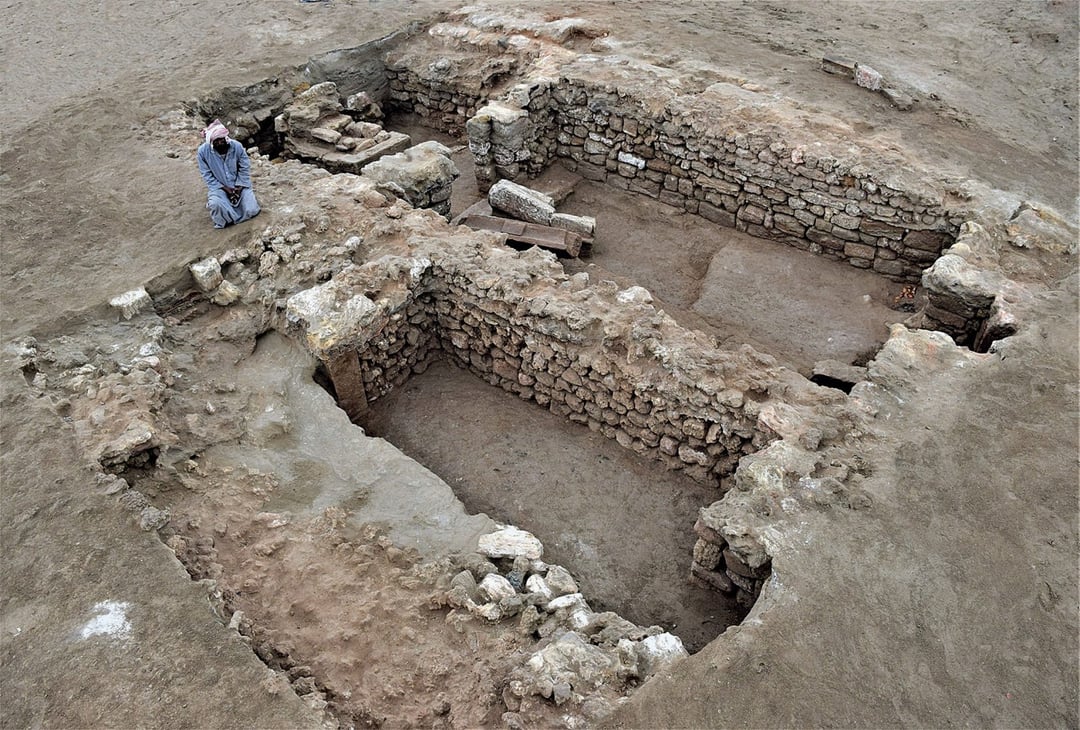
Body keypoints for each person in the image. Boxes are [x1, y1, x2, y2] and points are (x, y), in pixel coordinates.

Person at [197, 119, 260, 229]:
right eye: (216, 141)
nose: (220, 143)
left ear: (225, 137)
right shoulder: (203, 152)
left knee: (252, 210)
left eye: (221, 140)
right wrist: (226, 189)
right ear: (211, 142)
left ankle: (233, 213)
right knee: (216, 204)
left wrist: (239, 187)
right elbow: (207, 175)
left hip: (240, 186)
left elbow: (244, 168)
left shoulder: (237, 146)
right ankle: (227, 212)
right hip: (220, 189)